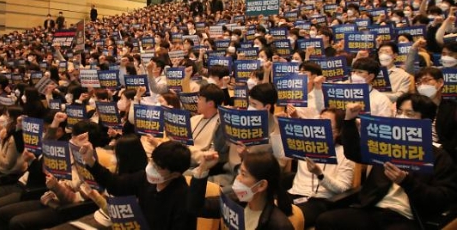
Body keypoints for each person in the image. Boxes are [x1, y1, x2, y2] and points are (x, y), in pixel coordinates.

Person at [315, 93, 457, 230]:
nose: (401, 117)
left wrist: (406, 181)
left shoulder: (439, 157)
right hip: (372, 209)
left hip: (406, 217)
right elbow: (354, 153)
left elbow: (442, 198)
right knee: (327, 220)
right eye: (399, 112)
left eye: (409, 114)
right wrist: (349, 120)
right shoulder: (386, 145)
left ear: (426, 121)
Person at [79, 139, 195, 230]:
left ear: (175, 174)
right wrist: (91, 161)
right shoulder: (144, 178)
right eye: (152, 162)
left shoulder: (184, 199)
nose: (152, 168)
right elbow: (116, 185)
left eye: (158, 167)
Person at [272, 109, 355, 227]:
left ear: (337, 132)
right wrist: (277, 126)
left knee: (287, 220)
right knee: (266, 210)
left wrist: (320, 174)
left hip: (319, 200)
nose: (320, 126)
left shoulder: (345, 154)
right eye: (319, 120)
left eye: (325, 123)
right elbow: (279, 153)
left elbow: (343, 189)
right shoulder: (305, 144)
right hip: (294, 194)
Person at [189, 150, 294, 230]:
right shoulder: (235, 202)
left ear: (261, 185)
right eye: (239, 172)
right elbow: (197, 208)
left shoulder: (279, 225)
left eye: (243, 175)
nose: (237, 178)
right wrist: (203, 168)